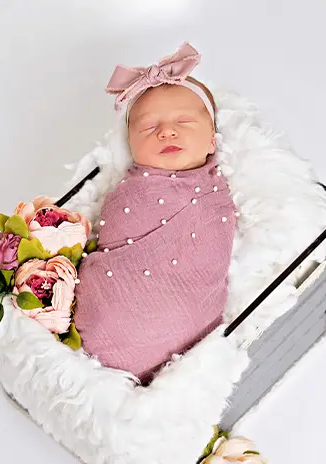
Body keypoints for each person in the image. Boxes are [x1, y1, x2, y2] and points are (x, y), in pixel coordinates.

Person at [74, 42, 236, 384]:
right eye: (149, 128)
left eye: (184, 121)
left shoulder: (214, 199)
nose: (167, 131)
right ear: (132, 145)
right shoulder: (126, 191)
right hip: (105, 312)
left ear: (212, 140)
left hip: (179, 314)